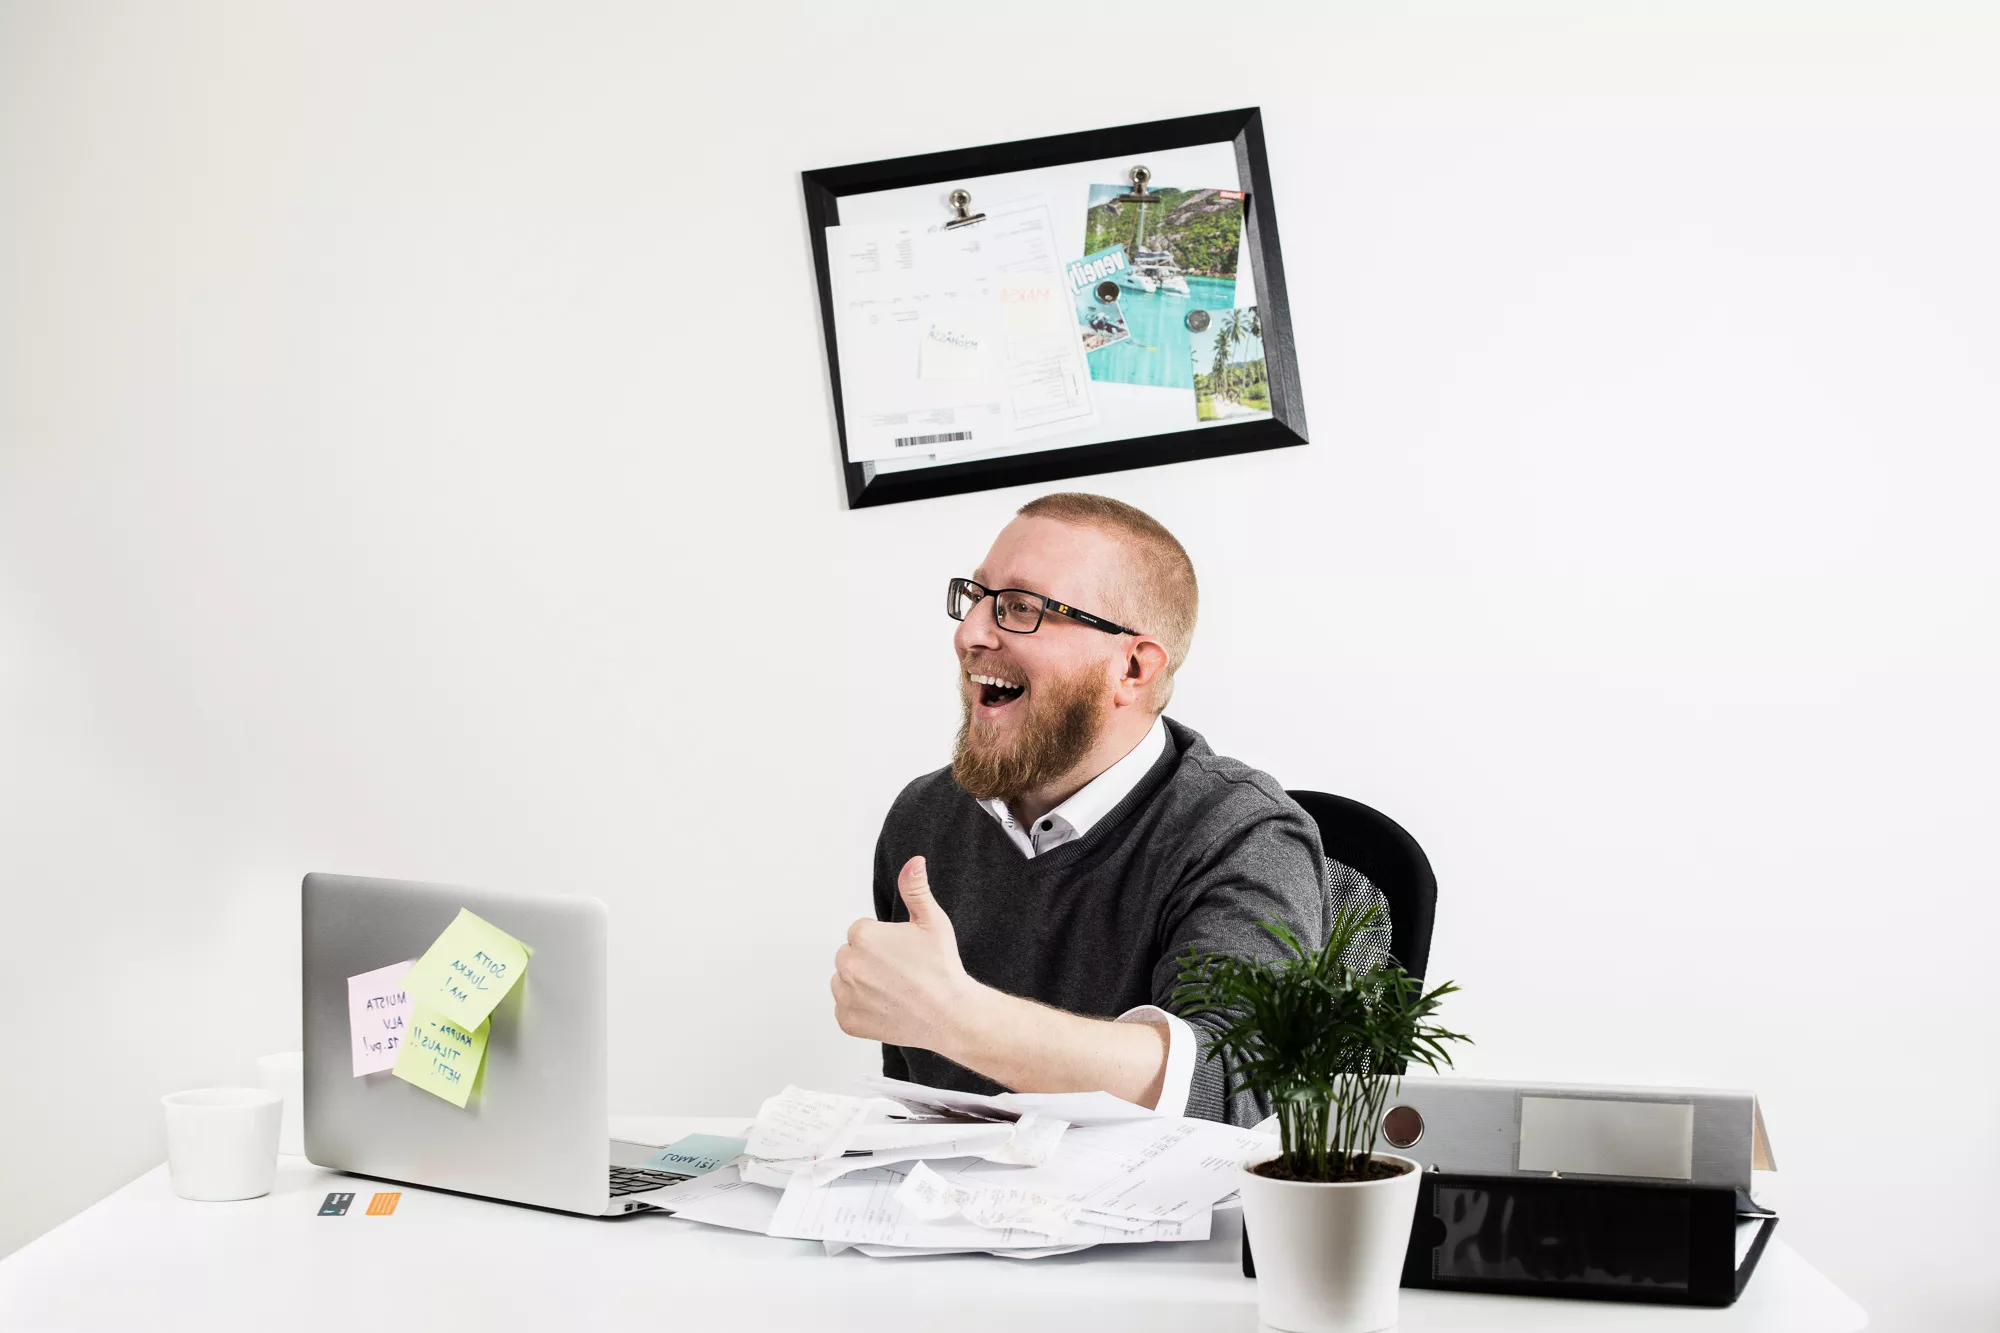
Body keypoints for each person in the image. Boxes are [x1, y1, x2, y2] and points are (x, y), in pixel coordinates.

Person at [829, 493, 1389, 1125]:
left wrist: (959, 1018)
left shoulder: (1241, 833)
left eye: (1021, 607)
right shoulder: (925, 816)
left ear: (1132, 668)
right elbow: (922, 1108)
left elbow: (1238, 1092)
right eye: (977, 597)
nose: (969, 634)